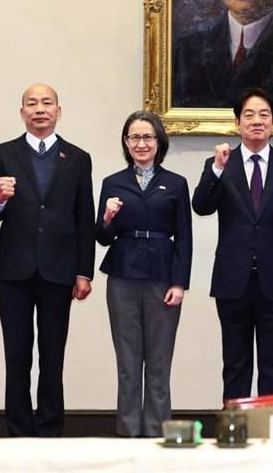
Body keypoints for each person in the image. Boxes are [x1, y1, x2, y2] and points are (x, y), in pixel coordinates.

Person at [0, 83, 95, 436]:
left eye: (47, 103)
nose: (40, 109)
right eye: (32, 103)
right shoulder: (1, 153)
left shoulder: (77, 158)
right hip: (14, 269)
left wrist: (83, 272)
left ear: (59, 111)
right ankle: (17, 430)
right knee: (16, 356)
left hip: (59, 271)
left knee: (52, 356)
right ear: (21, 112)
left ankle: (49, 429)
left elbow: (84, 217)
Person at [192, 87, 273, 400]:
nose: (257, 121)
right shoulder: (220, 164)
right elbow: (201, 206)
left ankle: (271, 432)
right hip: (233, 280)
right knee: (235, 363)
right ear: (237, 123)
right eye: (249, 115)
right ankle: (235, 432)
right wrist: (216, 169)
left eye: (264, 115)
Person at [95, 111, 192, 437]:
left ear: (159, 142)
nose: (141, 143)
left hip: (163, 279)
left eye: (147, 137)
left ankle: (156, 431)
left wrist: (180, 283)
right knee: (127, 361)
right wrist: (108, 217)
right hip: (122, 276)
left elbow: (185, 237)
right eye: (134, 137)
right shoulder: (113, 182)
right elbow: (102, 236)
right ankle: (127, 431)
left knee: (159, 362)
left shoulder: (176, 184)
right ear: (126, 142)